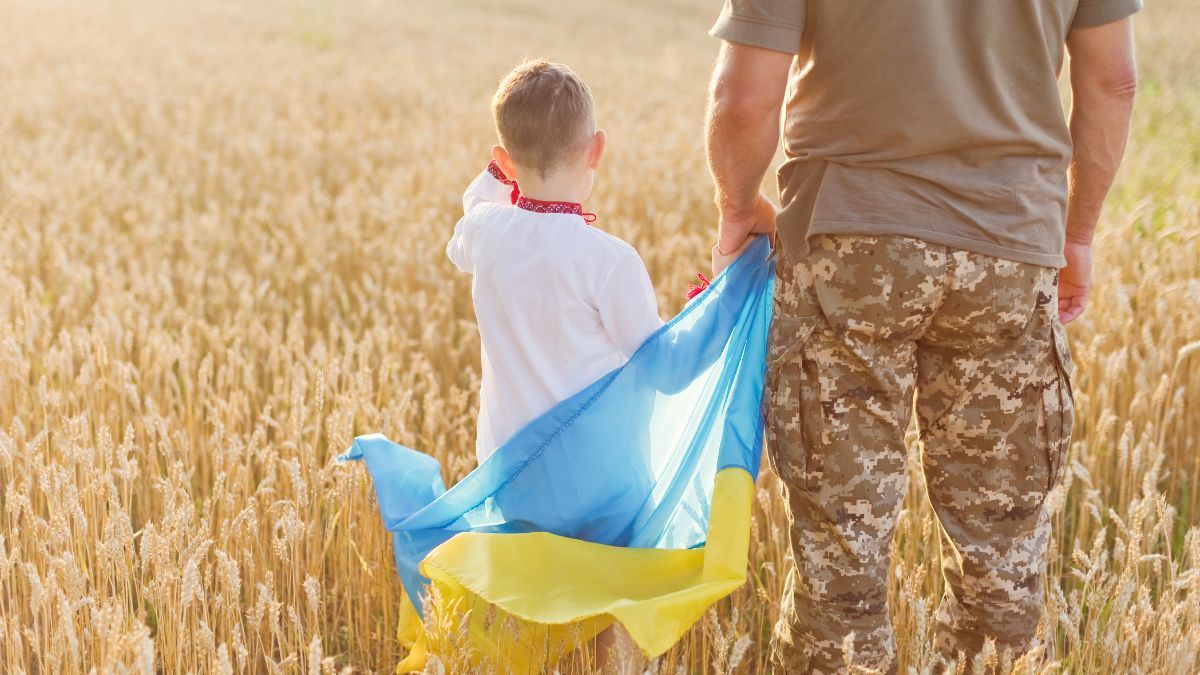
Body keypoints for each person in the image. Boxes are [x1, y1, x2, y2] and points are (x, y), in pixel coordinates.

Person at [705, 0, 1140, 670]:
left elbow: (744, 96)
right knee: (1003, 560)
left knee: (840, 565)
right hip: (1010, 244)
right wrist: (1076, 232)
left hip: (845, 244)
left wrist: (738, 206)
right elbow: (1112, 82)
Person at [447, 59, 663, 464]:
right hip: (598, 485)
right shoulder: (611, 261)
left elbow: (469, 218)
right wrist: (717, 306)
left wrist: (497, 175)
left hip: (507, 481)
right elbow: (664, 366)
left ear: (505, 161)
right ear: (596, 149)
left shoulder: (485, 231)